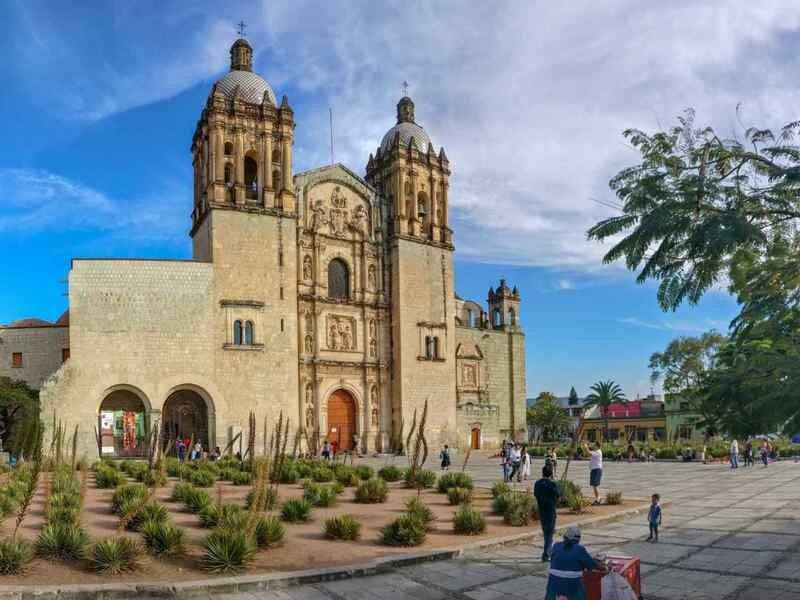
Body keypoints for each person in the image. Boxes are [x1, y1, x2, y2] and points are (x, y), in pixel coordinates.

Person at [545, 526, 603, 600]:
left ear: (564, 537)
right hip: (572, 587)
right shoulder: (579, 549)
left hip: (553, 587)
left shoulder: (555, 546)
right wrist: (606, 567)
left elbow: (555, 558)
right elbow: (593, 565)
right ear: (578, 540)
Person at [534, 465, 560, 561]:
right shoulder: (552, 484)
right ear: (551, 473)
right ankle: (546, 554)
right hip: (550, 511)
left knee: (546, 533)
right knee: (549, 534)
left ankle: (549, 551)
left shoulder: (537, 483)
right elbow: (558, 495)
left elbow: (536, 495)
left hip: (541, 510)